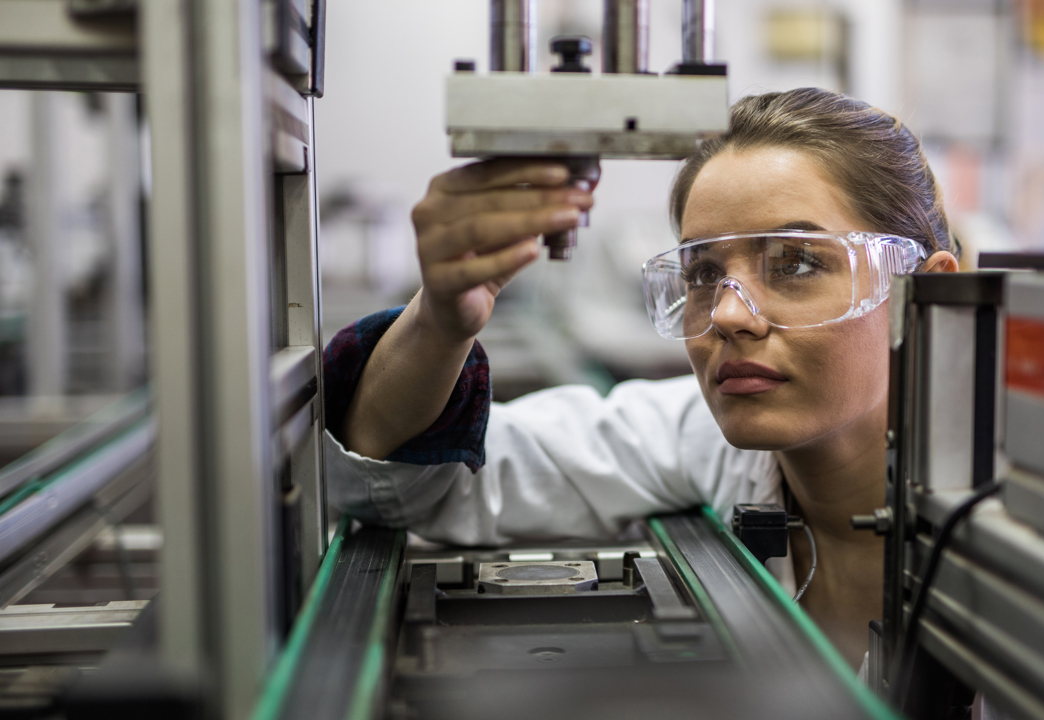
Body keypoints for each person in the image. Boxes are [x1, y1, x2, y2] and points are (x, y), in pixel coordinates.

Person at [323, 87, 959, 665]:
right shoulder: (692, 439)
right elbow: (404, 485)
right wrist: (440, 320)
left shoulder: (1026, 508)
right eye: (705, 274)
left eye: (795, 262)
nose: (729, 315)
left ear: (923, 295)